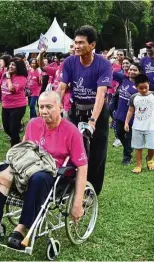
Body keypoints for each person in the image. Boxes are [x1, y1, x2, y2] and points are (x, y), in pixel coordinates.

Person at [0, 91, 88, 249]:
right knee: (3, 170)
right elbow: (23, 149)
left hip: (54, 176)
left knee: (38, 178)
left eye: (49, 107)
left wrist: (78, 202)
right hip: (27, 170)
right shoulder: (33, 124)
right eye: (41, 106)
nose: (44, 111)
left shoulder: (72, 132)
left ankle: (21, 229)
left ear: (60, 107)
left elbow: (82, 167)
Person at [58, 25, 112, 195]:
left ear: (92, 45)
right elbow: (61, 88)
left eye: (81, 43)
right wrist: (54, 109)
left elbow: (101, 94)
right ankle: (71, 186)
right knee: (72, 150)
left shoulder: (103, 64)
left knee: (97, 154)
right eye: (75, 42)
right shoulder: (69, 62)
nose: (77, 46)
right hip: (76, 110)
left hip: (97, 113)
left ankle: (92, 192)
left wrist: (92, 122)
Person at [124, 74, 154, 174]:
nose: (143, 90)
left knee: (152, 146)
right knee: (138, 147)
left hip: (151, 126)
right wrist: (126, 122)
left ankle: (150, 159)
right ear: (136, 87)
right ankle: (138, 165)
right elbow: (130, 110)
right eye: (140, 88)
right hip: (137, 127)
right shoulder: (134, 97)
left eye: (145, 87)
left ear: (149, 84)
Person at [111, 63, 141, 165]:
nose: (131, 72)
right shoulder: (123, 79)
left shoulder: (140, 85)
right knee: (119, 134)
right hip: (119, 114)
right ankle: (129, 147)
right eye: (130, 69)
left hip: (132, 117)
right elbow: (111, 72)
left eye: (135, 70)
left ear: (139, 72)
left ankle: (127, 157)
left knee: (128, 137)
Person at [1, 57, 28, 147]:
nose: (10, 66)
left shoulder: (21, 78)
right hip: (5, 106)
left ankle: (14, 150)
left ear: (19, 67)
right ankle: (18, 140)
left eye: (13, 65)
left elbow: (11, 89)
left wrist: (8, 78)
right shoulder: (6, 75)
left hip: (17, 107)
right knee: (6, 129)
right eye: (10, 64)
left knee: (13, 130)